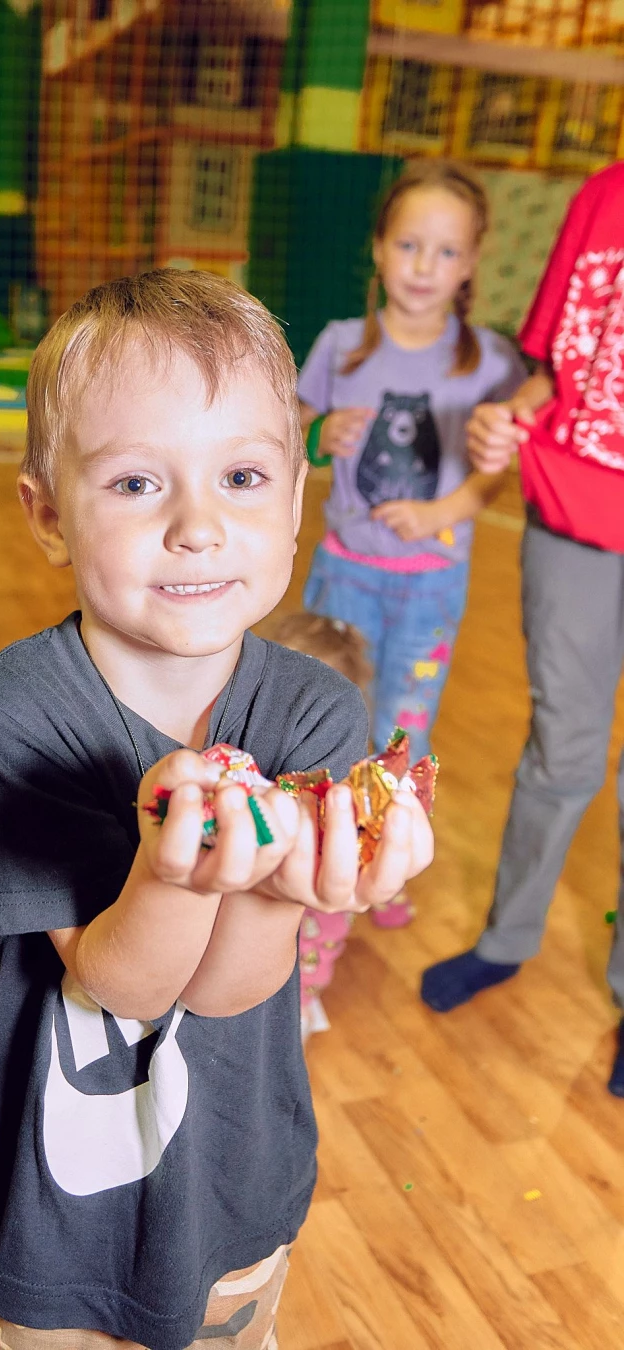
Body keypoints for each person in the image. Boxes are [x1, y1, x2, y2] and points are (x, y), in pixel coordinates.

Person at [0, 269, 433, 1349]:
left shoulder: (317, 707)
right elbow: (119, 979)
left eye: (245, 476)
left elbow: (223, 994)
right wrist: (180, 868)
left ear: (298, 503)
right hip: (48, 1213)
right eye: (134, 485)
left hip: (230, 1184)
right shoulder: (14, 709)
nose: (199, 528)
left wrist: (287, 891)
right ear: (47, 515)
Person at [419, 162, 624, 1097]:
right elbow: (554, 374)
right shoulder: (601, 197)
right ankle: (506, 940)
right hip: (572, 516)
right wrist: (510, 424)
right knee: (563, 747)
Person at [297, 160, 525, 926]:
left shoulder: (489, 361)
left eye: (447, 251)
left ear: (470, 263)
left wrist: (444, 510)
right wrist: (323, 433)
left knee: (403, 726)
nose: (425, 267)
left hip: (429, 585)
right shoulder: (340, 346)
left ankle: (380, 869)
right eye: (409, 245)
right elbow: (285, 433)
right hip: (345, 574)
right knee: (329, 717)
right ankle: (313, 860)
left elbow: (495, 472)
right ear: (378, 248)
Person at [267, 613, 373, 1041]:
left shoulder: (352, 766)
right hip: (261, 882)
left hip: (320, 890)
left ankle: (302, 1006)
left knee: (311, 952)